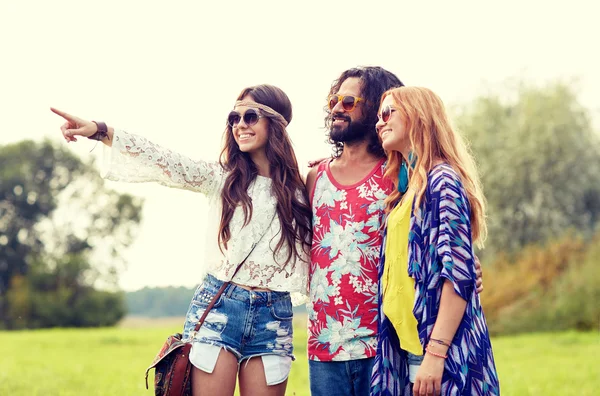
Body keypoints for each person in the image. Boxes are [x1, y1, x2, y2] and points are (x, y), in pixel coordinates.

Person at [51, 84, 312, 396]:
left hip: (274, 316)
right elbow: (166, 160)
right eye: (234, 117)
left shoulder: (302, 188)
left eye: (250, 116)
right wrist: (101, 131)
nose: (240, 124)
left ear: (277, 123)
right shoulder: (222, 178)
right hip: (220, 308)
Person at [305, 67, 484, 396]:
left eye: (348, 101)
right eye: (334, 100)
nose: (336, 108)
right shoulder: (316, 178)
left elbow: (445, 253)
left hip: (384, 347)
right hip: (325, 344)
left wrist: (468, 268)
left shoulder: (401, 177)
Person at [370, 86, 499, 396]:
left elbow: (458, 276)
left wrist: (436, 354)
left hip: (439, 352)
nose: (379, 123)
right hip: (406, 351)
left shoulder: (443, 180)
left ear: (418, 116)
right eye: (378, 117)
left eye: (388, 113)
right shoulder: (408, 187)